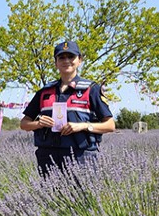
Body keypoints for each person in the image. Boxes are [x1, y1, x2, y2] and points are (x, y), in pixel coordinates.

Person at [20, 40, 115, 176]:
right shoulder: (44, 92)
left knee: (81, 197)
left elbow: (110, 125)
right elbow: (24, 124)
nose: (66, 61)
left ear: (79, 60)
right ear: (56, 62)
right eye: (61, 57)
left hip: (81, 157)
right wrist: (38, 124)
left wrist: (82, 126)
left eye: (71, 57)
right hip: (48, 157)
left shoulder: (91, 89)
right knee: (50, 197)